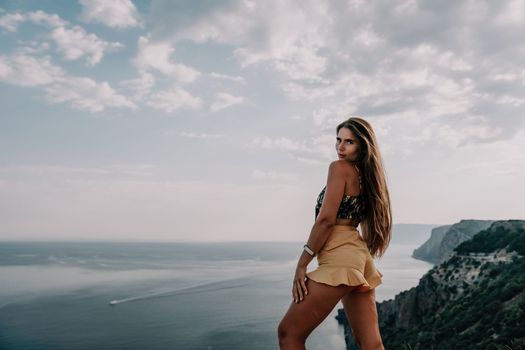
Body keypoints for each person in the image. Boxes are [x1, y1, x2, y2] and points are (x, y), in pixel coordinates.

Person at [277, 117, 392, 350]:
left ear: (362, 145)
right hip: (358, 258)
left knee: (289, 333)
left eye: (349, 142)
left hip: (339, 259)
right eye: (338, 140)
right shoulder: (368, 177)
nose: (340, 147)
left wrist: (302, 263)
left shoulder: (339, 168)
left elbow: (326, 221)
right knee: (372, 344)